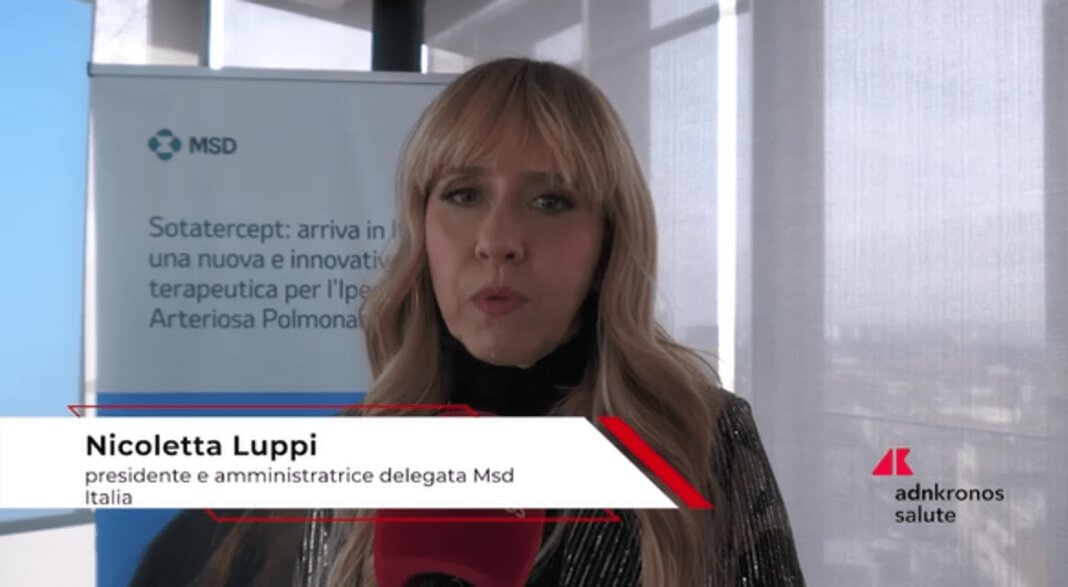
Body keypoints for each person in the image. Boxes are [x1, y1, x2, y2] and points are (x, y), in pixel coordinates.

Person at [133, 57, 804, 586]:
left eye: (550, 199)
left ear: (608, 241)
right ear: (422, 231)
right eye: (463, 194)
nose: (498, 240)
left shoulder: (701, 442)